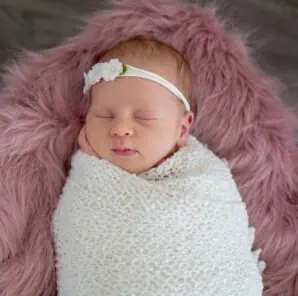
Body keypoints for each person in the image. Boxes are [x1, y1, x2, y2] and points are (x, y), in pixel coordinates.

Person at [52, 36, 265, 295]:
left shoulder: (205, 180)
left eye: (144, 118)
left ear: (183, 127)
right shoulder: (87, 180)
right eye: (104, 116)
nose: (120, 129)